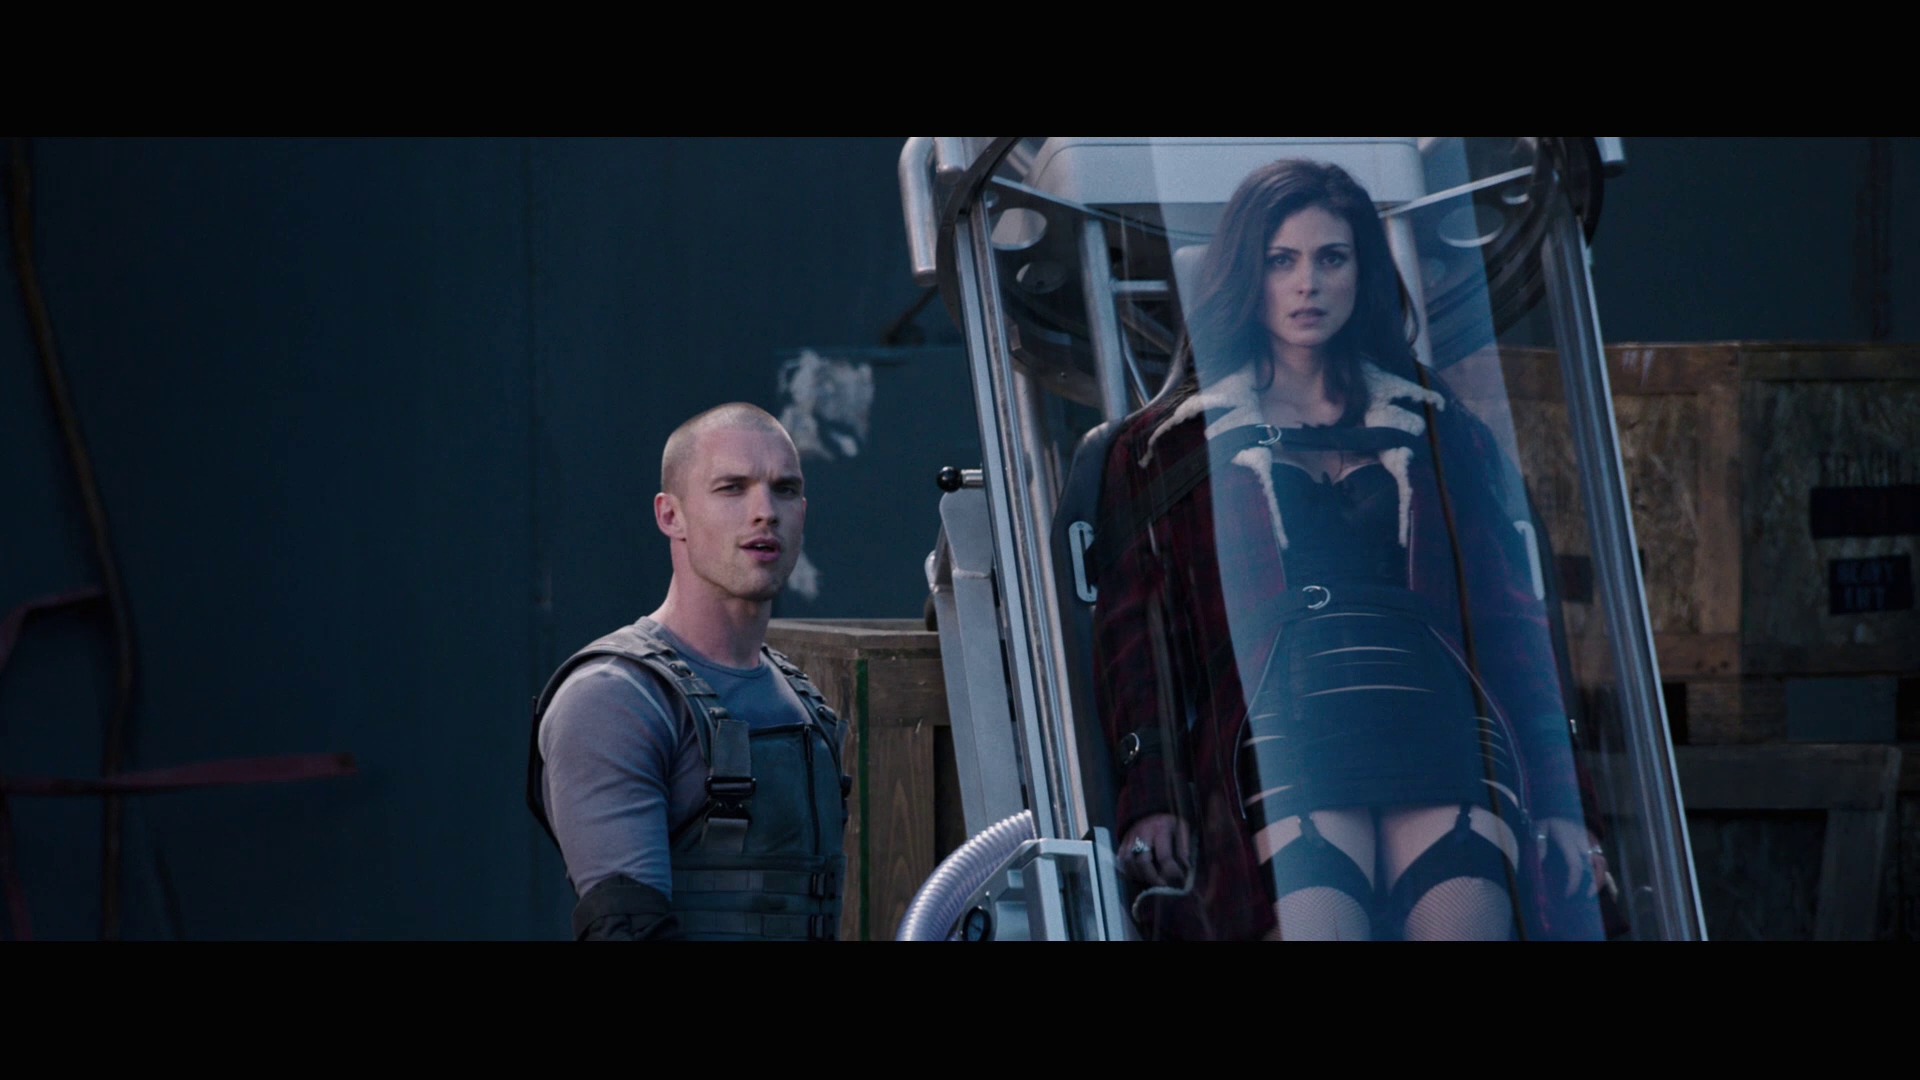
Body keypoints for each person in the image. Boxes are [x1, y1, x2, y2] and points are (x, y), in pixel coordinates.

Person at [1091, 160, 1610, 941]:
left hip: (1440, 723)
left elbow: (1510, 625)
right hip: (1276, 732)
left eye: (1331, 257)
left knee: (1467, 924)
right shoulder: (1168, 444)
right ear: (1248, 274)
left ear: (1363, 270)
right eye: (1283, 260)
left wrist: (1568, 805)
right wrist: (1153, 794)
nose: (1309, 284)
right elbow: (1139, 639)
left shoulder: (1438, 424)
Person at [526, 403, 849, 941]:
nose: (765, 511)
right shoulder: (614, 698)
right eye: (732, 488)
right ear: (670, 515)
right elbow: (628, 930)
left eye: (785, 489)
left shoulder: (804, 700)